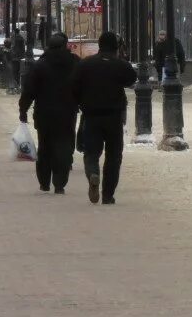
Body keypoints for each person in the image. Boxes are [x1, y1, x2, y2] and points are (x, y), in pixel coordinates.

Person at [72, 32, 138, 204]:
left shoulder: (86, 65)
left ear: (100, 45)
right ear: (116, 47)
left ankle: (93, 172)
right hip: (114, 116)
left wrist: (81, 102)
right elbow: (132, 79)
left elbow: (74, 86)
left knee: (91, 152)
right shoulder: (120, 65)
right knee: (114, 155)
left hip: (91, 116)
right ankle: (108, 195)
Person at [19, 33, 80, 193]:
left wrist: (23, 109)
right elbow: (83, 85)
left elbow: (29, 90)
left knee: (45, 147)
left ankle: (44, 182)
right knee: (64, 146)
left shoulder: (40, 65)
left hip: (44, 113)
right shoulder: (74, 62)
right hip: (68, 112)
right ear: (64, 45)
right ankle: (59, 183)